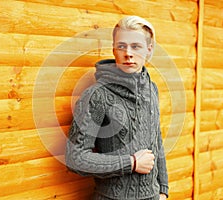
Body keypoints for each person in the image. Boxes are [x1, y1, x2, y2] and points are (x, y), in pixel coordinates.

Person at [65, 16, 169, 200]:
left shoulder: (152, 89)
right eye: (121, 46)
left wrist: (163, 190)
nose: (128, 53)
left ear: (149, 49)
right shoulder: (97, 95)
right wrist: (131, 162)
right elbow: (75, 158)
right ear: (114, 49)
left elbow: (157, 142)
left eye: (136, 46)